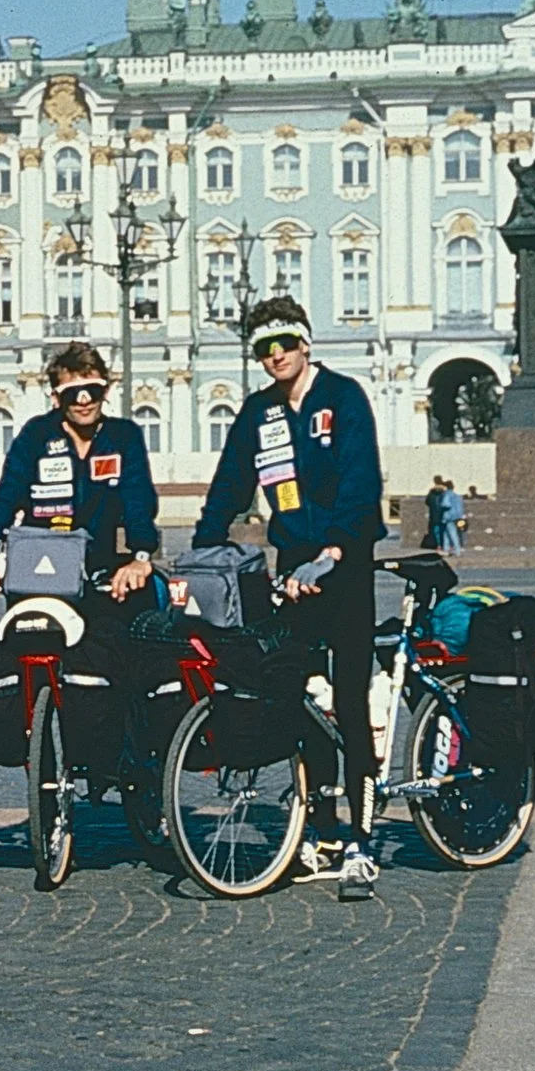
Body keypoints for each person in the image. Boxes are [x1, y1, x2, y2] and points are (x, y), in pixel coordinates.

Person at [192, 295, 386, 902]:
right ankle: (320, 826)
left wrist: (331, 552)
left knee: (349, 698)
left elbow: (359, 482)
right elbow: (231, 484)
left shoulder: (343, 398)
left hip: (343, 566)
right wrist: (204, 548)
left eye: (284, 345)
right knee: (296, 696)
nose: (275, 356)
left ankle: (361, 837)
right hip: (291, 569)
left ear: (306, 344)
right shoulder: (259, 412)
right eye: (263, 349)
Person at [0, 341, 160, 609]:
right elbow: (6, 499)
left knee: (113, 635)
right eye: (72, 394)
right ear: (56, 398)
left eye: (92, 391)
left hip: (99, 570)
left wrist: (140, 558)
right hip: (40, 570)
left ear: (106, 391)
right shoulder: (36, 435)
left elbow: (138, 500)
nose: (84, 402)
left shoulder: (123, 436)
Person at [439, 479, 465, 557]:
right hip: (457, 516)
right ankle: (446, 549)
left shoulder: (446, 495)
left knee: (451, 533)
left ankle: (457, 550)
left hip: (448, 516)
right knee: (446, 533)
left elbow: (445, 504)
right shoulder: (457, 496)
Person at [423, 478, 447, 552]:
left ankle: (437, 544)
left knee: (434, 530)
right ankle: (443, 545)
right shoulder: (444, 492)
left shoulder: (431, 492)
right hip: (442, 515)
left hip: (433, 514)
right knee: (443, 530)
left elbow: (427, 502)